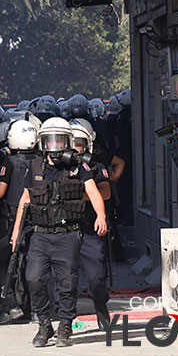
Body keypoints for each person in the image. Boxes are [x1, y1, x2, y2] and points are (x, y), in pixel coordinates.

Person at [11, 117, 107, 348]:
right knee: (33, 278)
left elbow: (94, 192)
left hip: (67, 234)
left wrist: (101, 217)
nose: (54, 147)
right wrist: (16, 233)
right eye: (49, 141)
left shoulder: (78, 167)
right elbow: (25, 199)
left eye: (59, 141)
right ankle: (44, 324)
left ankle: (65, 326)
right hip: (40, 234)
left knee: (66, 283)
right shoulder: (35, 166)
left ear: (68, 141)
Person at [0, 118, 40, 325]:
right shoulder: (41, 160)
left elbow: (0, 192)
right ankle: (36, 308)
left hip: (12, 221)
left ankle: (10, 305)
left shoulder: (9, 162)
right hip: (38, 220)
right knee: (34, 264)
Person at [70, 119, 112, 331]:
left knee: (96, 276)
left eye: (79, 142)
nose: (74, 147)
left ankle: (101, 306)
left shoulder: (96, 167)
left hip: (89, 227)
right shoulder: (56, 168)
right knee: (64, 278)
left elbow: (105, 192)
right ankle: (64, 320)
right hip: (65, 228)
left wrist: (77, 196)